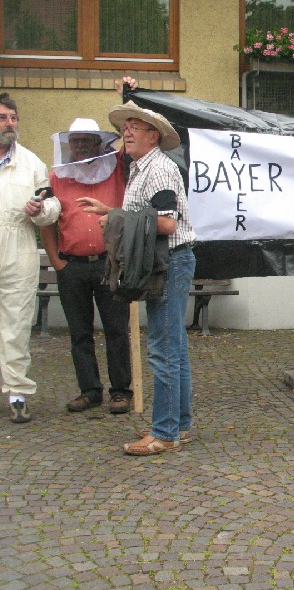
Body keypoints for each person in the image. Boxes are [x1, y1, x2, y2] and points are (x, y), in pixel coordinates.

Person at [79, 90, 196, 455]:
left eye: (135, 127)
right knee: (173, 347)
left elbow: (165, 223)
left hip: (169, 261)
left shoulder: (159, 168)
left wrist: (115, 217)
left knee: (164, 349)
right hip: (167, 261)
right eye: (125, 127)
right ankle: (179, 425)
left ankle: (164, 434)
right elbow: (145, 214)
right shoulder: (143, 167)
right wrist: (111, 207)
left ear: (153, 135)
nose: (127, 132)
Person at [40, 119, 132, 414]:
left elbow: (129, 138)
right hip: (73, 267)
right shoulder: (58, 178)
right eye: (75, 141)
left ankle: (121, 391)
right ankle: (90, 390)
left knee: (117, 329)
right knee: (79, 333)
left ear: (98, 143)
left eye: (85, 141)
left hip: (109, 263)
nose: (79, 146)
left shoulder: (116, 168)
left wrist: (128, 96)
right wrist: (57, 262)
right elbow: (47, 223)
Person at [0, 92, 60, 423]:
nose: (10, 124)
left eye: (13, 118)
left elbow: (52, 206)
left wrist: (39, 209)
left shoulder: (32, 163)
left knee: (17, 324)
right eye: (3, 118)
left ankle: (17, 393)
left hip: (18, 248)